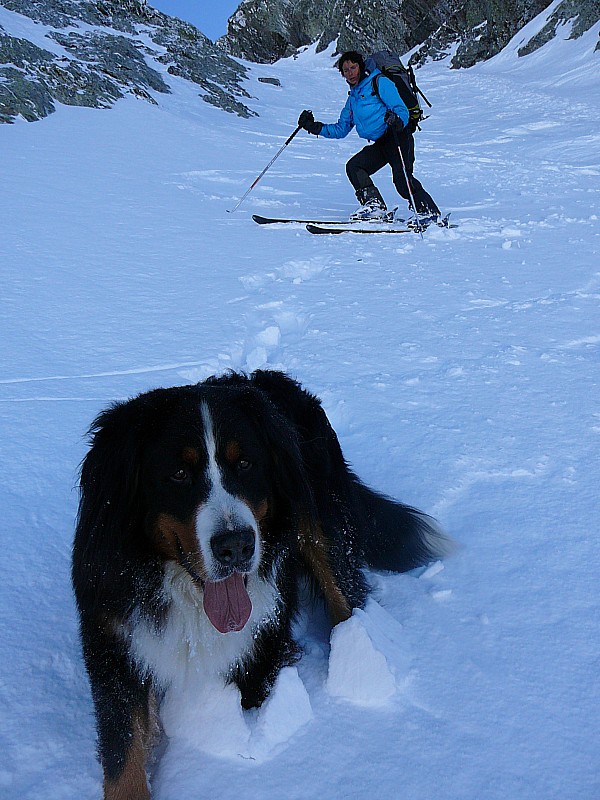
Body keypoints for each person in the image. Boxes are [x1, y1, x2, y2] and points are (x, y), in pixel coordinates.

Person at [298, 50, 440, 222]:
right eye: (346, 70)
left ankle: (429, 212)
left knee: (402, 182)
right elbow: (341, 129)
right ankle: (374, 207)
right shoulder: (353, 98)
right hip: (381, 142)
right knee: (354, 167)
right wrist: (313, 127)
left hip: (398, 137)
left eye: (353, 67)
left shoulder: (379, 82)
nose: (350, 73)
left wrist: (397, 120)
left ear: (361, 66)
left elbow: (401, 110)